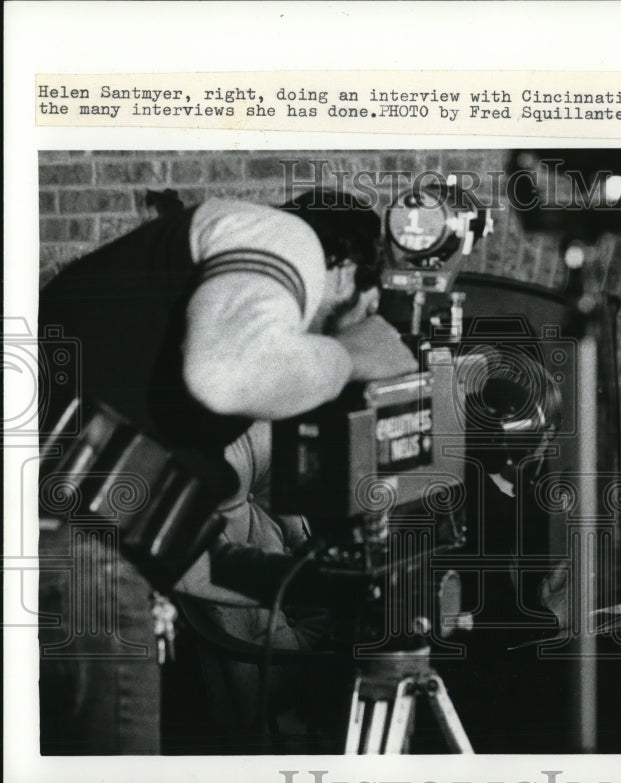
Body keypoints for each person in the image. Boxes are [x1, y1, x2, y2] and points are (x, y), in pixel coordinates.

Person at [37, 188, 417, 754]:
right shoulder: (284, 237)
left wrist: (323, 585)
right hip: (75, 553)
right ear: (346, 273)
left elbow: (189, 564)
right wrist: (359, 354)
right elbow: (223, 373)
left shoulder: (148, 413)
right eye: (366, 309)